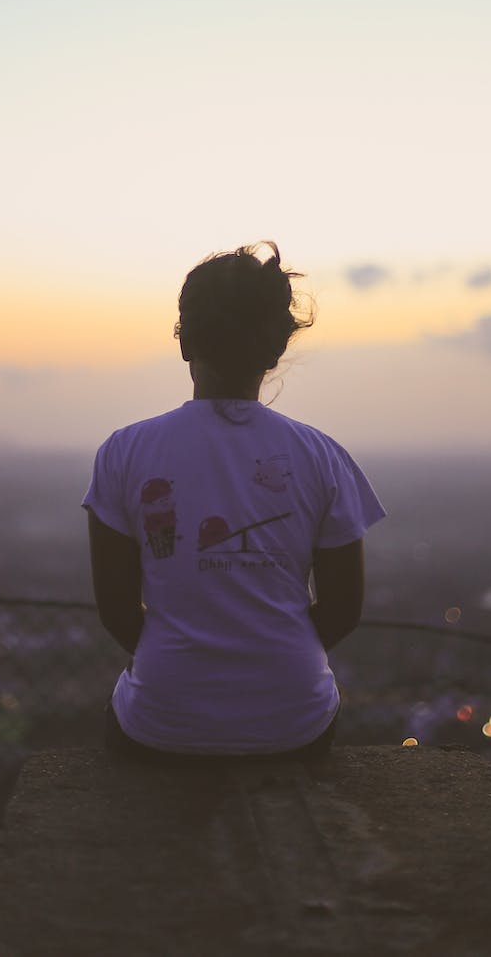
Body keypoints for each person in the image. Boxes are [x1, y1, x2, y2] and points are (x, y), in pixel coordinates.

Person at [82, 241, 386, 761]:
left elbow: (115, 608)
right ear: (274, 351)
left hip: (163, 718)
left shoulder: (124, 452)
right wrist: (266, 663)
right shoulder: (321, 457)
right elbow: (342, 609)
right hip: (294, 720)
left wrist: (185, 667)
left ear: (184, 343)